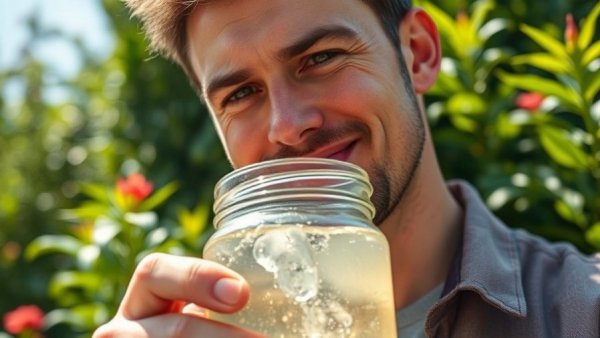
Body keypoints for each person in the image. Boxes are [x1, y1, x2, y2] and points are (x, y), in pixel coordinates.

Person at [94, 0, 600, 336]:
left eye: (321, 58)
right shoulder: (202, 326)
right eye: (242, 93)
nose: (289, 125)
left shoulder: (582, 313)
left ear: (418, 54)